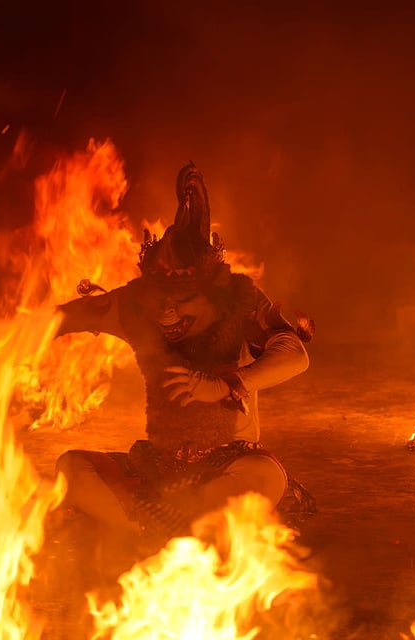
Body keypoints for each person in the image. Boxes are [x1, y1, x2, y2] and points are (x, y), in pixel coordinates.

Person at [55, 163, 315, 538]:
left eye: (182, 300)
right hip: (156, 469)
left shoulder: (238, 302)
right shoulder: (134, 305)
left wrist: (225, 386)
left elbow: (295, 354)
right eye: (159, 299)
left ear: (212, 293)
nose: (166, 312)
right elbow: (55, 319)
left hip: (229, 466)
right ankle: (161, 531)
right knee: (72, 469)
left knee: (266, 477)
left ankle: (166, 529)